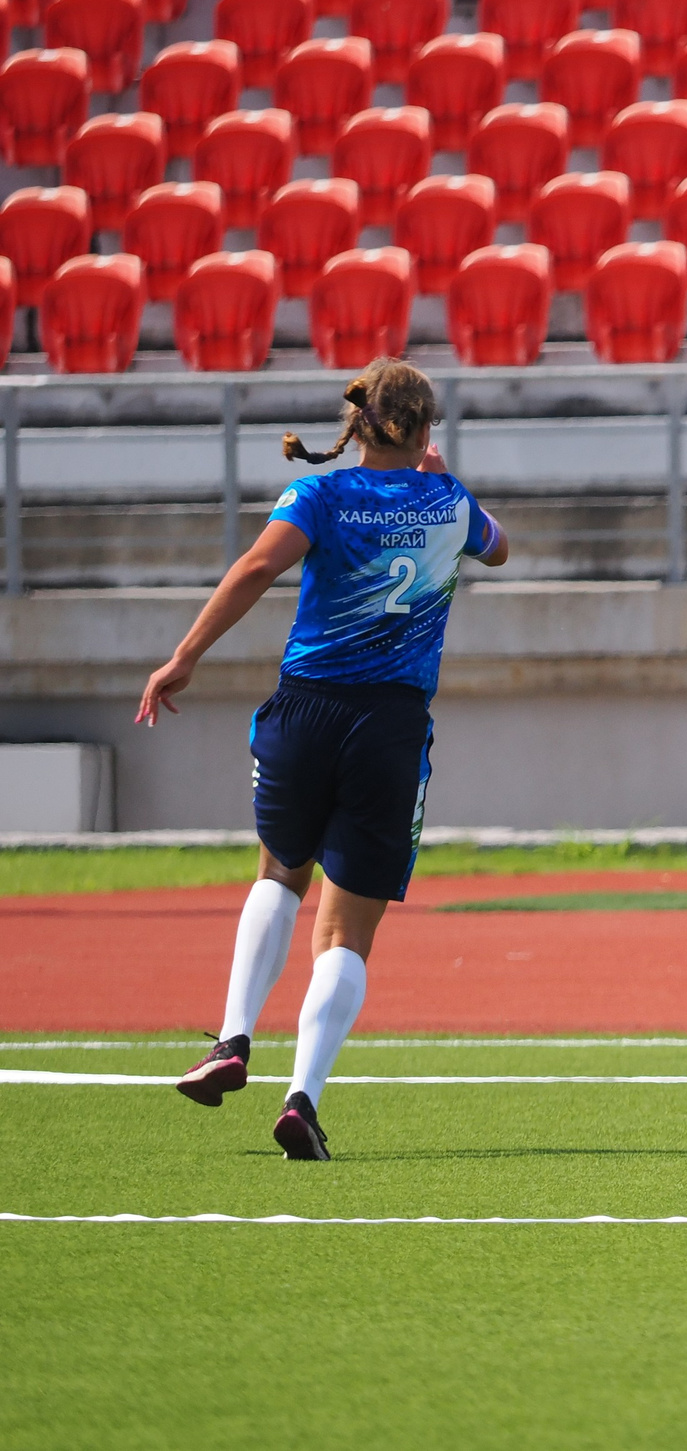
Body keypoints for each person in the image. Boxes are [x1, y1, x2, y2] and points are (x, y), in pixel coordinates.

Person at [146, 359, 508, 1161]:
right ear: (421, 430)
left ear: (357, 424)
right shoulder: (450, 502)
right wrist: (443, 480)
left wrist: (184, 656)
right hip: (388, 726)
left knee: (279, 871)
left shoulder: (320, 494)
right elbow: (501, 548)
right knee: (346, 931)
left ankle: (232, 1037)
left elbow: (255, 568)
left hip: (305, 712)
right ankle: (302, 1098)